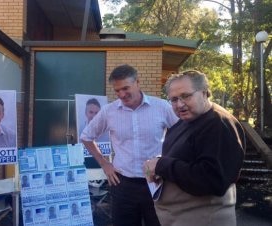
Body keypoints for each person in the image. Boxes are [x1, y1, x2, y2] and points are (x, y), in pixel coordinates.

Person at [144, 70, 245, 226]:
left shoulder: (217, 124)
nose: (179, 104)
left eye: (186, 96)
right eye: (174, 99)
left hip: (204, 219)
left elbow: (212, 180)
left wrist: (162, 165)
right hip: (181, 217)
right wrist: (158, 165)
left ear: (204, 93)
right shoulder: (188, 119)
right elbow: (183, 156)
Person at [80, 64, 178, 226]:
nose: (121, 94)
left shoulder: (161, 107)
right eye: (117, 90)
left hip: (156, 183)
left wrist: (169, 162)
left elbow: (182, 133)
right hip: (122, 184)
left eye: (125, 88)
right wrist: (105, 164)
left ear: (137, 82)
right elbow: (86, 137)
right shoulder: (108, 111)